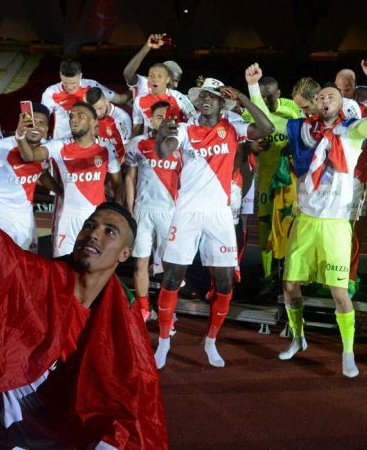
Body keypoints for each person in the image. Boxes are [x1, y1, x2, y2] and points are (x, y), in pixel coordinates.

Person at [0, 119, 167, 449]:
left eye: (110, 231)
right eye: (90, 226)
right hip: (22, 435)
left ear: (125, 254)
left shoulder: (124, 314)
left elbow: (138, 400)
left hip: (80, 434)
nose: (94, 233)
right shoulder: (39, 278)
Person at [279, 55, 367, 378]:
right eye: (321, 97)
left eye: (332, 96)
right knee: (289, 285)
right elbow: (273, 125)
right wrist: (253, 88)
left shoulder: (352, 131)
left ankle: (347, 353)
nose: (325, 100)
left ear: (341, 104)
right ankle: (297, 337)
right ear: (315, 104)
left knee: (339, 293)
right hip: (305, 221)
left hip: (336, 225)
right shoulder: (305, 131)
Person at [153, 76, 274, 369]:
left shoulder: (233, 127)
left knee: (224, 282)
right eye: (202, 96)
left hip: (220, 215)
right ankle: (164, 343)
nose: (205, 99)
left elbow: (267, 128)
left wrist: (242, 98)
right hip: (187, 212)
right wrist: (160, 136)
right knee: (171, 278)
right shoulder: (185, 128)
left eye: (212, 96)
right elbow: (163, 152)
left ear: (222, 103)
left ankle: (210, 341)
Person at [17, 102, 123, 258]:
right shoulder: (59, 146)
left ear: (93, 122)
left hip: (96, 219)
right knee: (62, 265)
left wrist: (118, 213)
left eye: (80, 116)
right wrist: (20, 136)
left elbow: (118, 184)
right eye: (72, 116)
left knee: (91, 264)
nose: (74, 120)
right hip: (67, 218)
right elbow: (30, 156)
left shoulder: (106, 149)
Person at [241, 66, 303, 293]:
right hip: (265, 179)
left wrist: (291, 148)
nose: (265, 101)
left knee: (289, 227)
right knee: (265, 226)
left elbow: (305, 136)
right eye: (261, 96)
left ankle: (288, 273)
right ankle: (268, 275)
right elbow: (241, 140)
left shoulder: (292, 109)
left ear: (278, 94)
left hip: (289, 180)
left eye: (269, 97)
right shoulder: (250, 113)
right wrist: (252, 146)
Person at [0, 103, 59, 252]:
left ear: (46, 128)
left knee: (27, 258)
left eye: (41, 123)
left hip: (25, 215)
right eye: (32, 122)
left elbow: (43, 173)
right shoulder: (2, 147)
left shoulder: (45, 149)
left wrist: (61, 191)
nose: (36, 127)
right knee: (0, 258)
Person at [124, 101, 183, 321]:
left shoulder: (180, 145)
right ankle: (143, 310)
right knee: (140, 263)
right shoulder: (137, 144)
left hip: (170, 212)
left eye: (168, 118)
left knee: (171, 265)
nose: (164, 121)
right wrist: (130, 209)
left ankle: (168, 309)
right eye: (159, 117)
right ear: (150, 120)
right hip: (142, 211)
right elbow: (129, 177)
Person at [123, 34, 196, 136]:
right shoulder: (145, 82)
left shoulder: (178, 97)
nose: (176, 85)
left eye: (178, 81)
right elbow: (128, 74)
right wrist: (147, 47)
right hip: (148, 140)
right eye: (174, 80)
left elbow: (194, 120)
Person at [41, 59, 128, 139]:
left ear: (80, 76)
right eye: (65, 83)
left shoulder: (91, 86)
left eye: (73, 83)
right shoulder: (51, 93)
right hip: (63, 142)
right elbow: (41, 119)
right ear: (60, 75)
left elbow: (120, 99)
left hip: (90, 141)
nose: (69, 87)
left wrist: (133, 89)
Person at [86, 87, 132, 162]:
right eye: (94, 110)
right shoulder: (91, 117)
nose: (98, 113)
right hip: (101, 162)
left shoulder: (121, 118)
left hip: (118, 164)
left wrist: (115, 168)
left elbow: (128, 152)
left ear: (106, 101)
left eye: (100, 108)